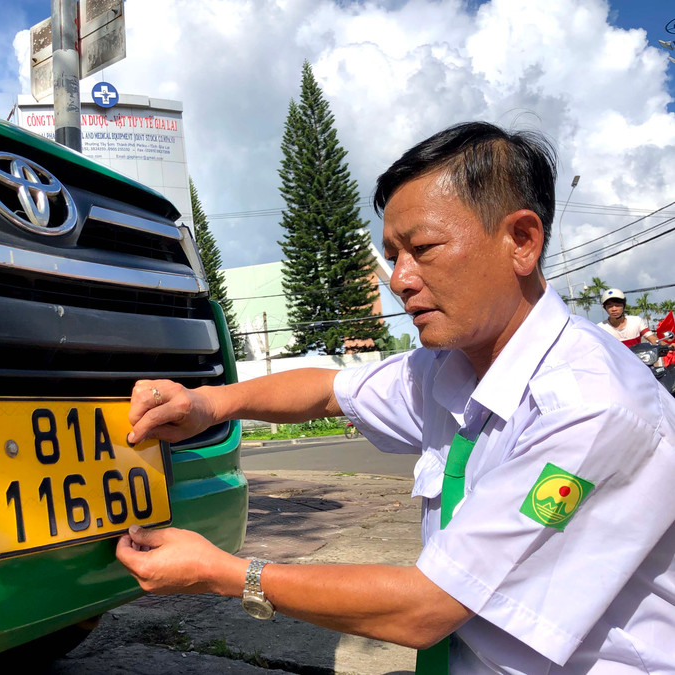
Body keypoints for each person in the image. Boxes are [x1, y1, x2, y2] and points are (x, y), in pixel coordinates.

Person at [116, 122, 675, 673]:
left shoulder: (589, 408)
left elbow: (427, 609)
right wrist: (209, 404)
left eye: (423, 248)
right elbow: (325, 391)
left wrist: (225, 574)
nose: (399, 279)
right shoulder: (450, 369)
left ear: (521, 241)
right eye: (393, 254)